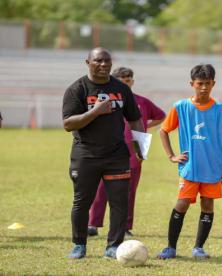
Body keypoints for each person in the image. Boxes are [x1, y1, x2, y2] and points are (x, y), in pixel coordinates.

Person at [62, 47, 144, 259]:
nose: (104, 64)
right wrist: (96, 111)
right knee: (82, 201)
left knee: (119, 202)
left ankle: (113, 246)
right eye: (98, 61)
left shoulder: (121, 89)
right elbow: (68, 124)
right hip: (85, 154)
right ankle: (79, 244)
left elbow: (134, 117)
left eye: (107, 61)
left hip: (116, 154)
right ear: (87, 62)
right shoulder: (77, 89)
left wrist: (140, 144)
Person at [157, 64, 222, 260]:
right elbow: (163, 130)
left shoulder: (221, 111)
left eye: (208, 84)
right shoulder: (180, 107)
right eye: (200, 83)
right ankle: (170, 248)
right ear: (192, 83)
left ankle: (198, 247)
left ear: (213, 84)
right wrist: (172, 156)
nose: (203, 88)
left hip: (213, 167)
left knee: (207, 205)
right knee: (182, 203)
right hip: (190, 167)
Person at [87, 67, 166, 237]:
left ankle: (125, 226)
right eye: (122, 80)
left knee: (129, 190)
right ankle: (93, 224)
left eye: (129, 79)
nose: (126, 82)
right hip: (109, 149)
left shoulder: (142, 101)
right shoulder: (105, 100)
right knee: (102, 187)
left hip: (135, 150)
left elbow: (161, 115)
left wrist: (144, 126)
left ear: (133, 81)